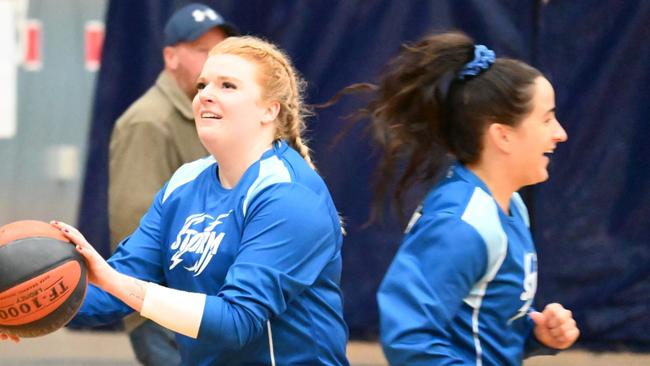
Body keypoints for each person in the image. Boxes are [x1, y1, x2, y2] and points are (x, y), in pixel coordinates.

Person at [2, 36, 350, 365]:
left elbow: (237, 321)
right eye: (203, 85)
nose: (206, 95)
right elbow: (119, 279)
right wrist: (21, 301)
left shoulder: (288, 196)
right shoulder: (185, 183)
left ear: (269, 111)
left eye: (227, 85)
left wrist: (117, 283)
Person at [340, 31, 579, 365]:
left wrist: (534, 334)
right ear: (503, 136)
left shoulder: (511, 207)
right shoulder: (462, 225)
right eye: (547, 118)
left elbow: (480, 325)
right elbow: (410, 337)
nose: (560, 133)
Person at [107, 3, 237, 365]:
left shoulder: (207, 114)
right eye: (201, 51)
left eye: (220, 51)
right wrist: (152, 305)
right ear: (170, 57)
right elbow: (133, 226)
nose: (213, 61)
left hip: (198, 306)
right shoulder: (148, 122)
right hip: (163, 310)